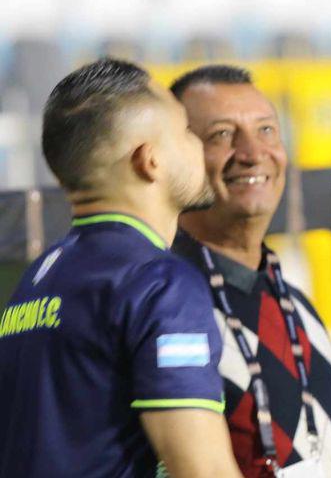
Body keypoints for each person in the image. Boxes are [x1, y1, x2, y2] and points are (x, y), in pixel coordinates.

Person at [0, 59, 242, 478]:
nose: (199, 145)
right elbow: (204, 471)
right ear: (149, 161)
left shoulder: (35, 280)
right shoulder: (160, 283)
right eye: (185, 131)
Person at [169, 64, 331, 478]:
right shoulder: (163, 302)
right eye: (222, 135)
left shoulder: (297, 306)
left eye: (267, 130)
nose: (252, 152)